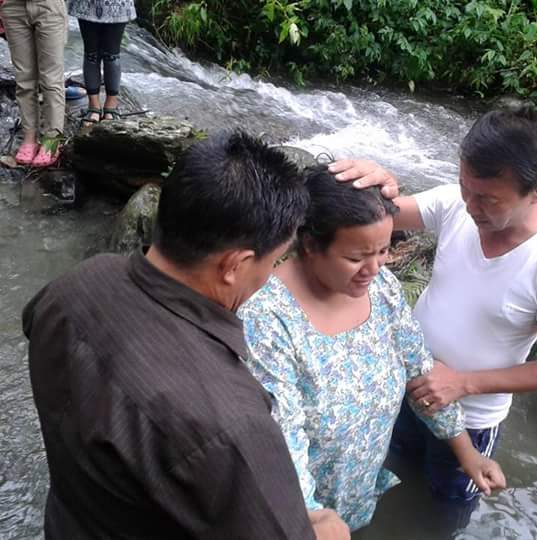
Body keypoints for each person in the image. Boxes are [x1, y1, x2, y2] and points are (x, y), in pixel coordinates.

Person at [22, 131, 350, 540]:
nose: (271, 274)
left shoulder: (72, 287)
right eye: (275, 259)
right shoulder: (230, 422)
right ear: (235, 264)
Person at [330, 108, 537, 514]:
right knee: (390, 475)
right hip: (406, 389)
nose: (471, 206)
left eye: (488, 199)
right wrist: (378, 186)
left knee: (445, 507)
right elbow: (380, 216)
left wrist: (462, 384)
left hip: (470, 420)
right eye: (466, 187)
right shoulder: (456, 203)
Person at [240, 165, 506, 532]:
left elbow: (419, 372)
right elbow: (282, 439)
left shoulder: (380, 290)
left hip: (358, 497)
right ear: (310, 244)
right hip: (296, 520)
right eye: (355, 258)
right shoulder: (267, 318)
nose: (373, 268)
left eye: (382, 251)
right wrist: (314, 519)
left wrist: (466, 453)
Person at [0, 0, 67, 167]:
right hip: (13, 7)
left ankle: (52, 140)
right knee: (24, 79)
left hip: (48, 6)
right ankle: (29, 138)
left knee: (51, 79)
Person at [68, 0, 135, 125]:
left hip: (118, 4)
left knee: (112, 55)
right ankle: (94, 106)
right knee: (91, 54)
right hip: (86, 5)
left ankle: (111, 105)